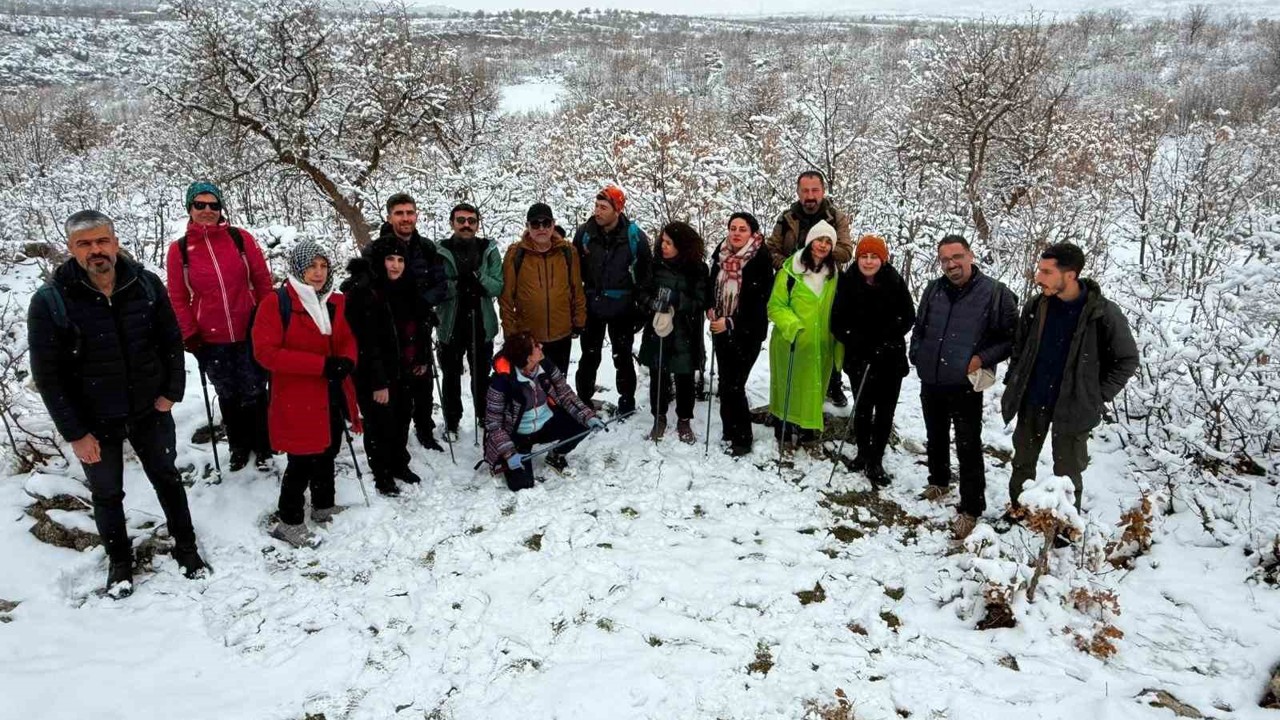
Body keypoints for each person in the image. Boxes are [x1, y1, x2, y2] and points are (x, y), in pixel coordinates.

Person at [29, 210, 206, 598]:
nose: (96, 251)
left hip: (149, 410)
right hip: (94, 420)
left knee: (167, 479)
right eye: (85, 244)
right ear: (71, 249)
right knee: (107, 494)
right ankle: (120, 564)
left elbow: (170, 341)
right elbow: (48, 375)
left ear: (115, 241)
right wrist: (75, 433)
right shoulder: (51, 301)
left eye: (101, 241)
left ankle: (187, 548)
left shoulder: (144, 285)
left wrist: (171, 392)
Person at [1001, 242, 1139, 516]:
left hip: (1074, 406)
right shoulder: (1037, 306)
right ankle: (1018, 511)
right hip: (1034, 399)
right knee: (1022, 463)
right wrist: (1015, 380)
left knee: (1068, 472)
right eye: (1039, 270)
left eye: (1047, 272)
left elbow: (1127, 360)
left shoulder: (1103, 314)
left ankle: (1065, 526)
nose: (1038, 278)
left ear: (1071, 275)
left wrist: (1097, 395)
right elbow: (1020, 348)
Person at [253, 241, 360, 549]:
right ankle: (289, 521)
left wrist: (348, 360)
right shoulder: (277, 303)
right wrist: (321, 365)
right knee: (302, 458)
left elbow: (347, 338)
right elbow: (266, 353)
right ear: (299, 268)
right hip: (297, 395)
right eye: (312, 266)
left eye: (323, 266)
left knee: (329, 448)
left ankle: (324, 505)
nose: (318, 272)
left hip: (331, 391)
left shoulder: (335, 300)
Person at [909, 235, 1017, 540]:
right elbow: (921, 325)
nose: (951, 264)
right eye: (944, 259)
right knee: (935, 433)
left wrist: (981, 358)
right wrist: (917, 353)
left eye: (956, 257)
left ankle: (971, 507)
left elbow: (1010, 338)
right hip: (932, 376)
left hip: (967, 382)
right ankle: (939, 480)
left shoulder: (995, 293)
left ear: (970, 255)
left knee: (968, 444)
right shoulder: (933, 289)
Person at [166, 181, 275, 472]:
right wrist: (189, 333)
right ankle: (239, 446)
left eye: (213, 205)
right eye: (199, 205)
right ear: (189, 208)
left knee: (255, 388)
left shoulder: (240, 239)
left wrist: (269, 319)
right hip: (210, 336)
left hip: (250, 329)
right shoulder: (180, 251)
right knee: (227, 392)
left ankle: (263, 444)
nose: (207, 210)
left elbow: (263, 281)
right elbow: (177, 297)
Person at [341, 237, 429, 497]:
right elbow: (366, 342)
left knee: (402, 417)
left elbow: (418, 326)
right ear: (378, 261)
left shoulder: (406, 286)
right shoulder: (364, 291)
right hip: (375, 373)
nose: (396, 265)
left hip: (404, 367)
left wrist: (422, 356)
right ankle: (382, 475)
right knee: (380, 424)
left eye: (400, 259)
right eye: (390, 259)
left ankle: (399, 464)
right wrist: (378, 382)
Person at [830, 235, 916, 486]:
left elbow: (907, 316)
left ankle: (876, 458)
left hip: (889, 359)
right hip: (859, 358)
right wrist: (855, 339)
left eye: (873, 257)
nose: (868, 261)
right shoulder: (847, 282)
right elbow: (838, 321)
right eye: (864, 256)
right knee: (863, 408)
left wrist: (886, 337)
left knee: (884, 411)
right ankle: (862, 453)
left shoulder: (894, 281)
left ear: (882, 259)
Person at [765, 170, 855, 407]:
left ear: (823, 191)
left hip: (827, 282)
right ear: (798, 192)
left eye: (815, 190)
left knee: (826, 332)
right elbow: (772, 248)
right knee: (795, 333)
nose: (810, 195)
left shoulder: (836, 216)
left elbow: (846, 250)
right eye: (805, 191)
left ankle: (832, 384)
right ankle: (791, 386)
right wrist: (788, 266)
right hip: (795, 282)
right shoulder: (787, 218)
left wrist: (819, 253)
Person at [368, 193, 449, 451]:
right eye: (399, 213)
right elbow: (367, 288)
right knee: (395, 385)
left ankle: (425, 429)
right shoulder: (376, 249)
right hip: (388, 329)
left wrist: (421, 303)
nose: (405, 218)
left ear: (416, 215)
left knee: (423, 383)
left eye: (409, 213)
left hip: (419, 325)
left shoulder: (426, 247)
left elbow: (442, 285)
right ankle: (392, 441)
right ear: (389, 216)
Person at [482, 332, 604, 491]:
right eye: (536, 346)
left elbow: (565, 394)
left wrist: (588, 417)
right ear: (527, 357)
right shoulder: (502, 383)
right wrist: (509, 454)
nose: (541, 346)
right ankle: (509, 461)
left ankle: (556, 455)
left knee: (583, 422)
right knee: (522, 485)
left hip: (546, 423)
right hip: (517, 435)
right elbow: (493, 424)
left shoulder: (546, 366)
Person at [572, 185, 653, 417]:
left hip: (623, 308)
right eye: (596, 206)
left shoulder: (634, 236)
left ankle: (626, 401)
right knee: (589, 356)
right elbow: (574, 271)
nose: (597, 211)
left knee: (623, 356)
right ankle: (583, 399)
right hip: (592, 306)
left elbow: (645, 273)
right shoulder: (585, 233)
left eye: (603, 207)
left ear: (617, 210)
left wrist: (641, 308)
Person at [767, 221, 843, 450]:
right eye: (820, 240)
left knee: (813, 390)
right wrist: (793, 326)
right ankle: (783, 431)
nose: (823, 245)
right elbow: (775, 306)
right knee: (787, 387)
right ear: (810, 241)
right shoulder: (790, 271)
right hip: (790, 342)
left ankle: (807, 433)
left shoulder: (834, 275)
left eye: (828, 242)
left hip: (820, 346)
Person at [637, 221, 711, 443]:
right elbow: (641, 293)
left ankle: (684, 419)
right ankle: (658, 417)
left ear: (682, 245)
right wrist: (652, 303)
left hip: (686, 331)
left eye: (669, 243)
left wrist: (678, 300)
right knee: (658, 374)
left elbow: (701, 301)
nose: (663, 246)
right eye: (663, 241)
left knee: (684, 376)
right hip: (658, 329)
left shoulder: (697, 269)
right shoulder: (653, 264)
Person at [708, 212, 775, 456]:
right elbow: (711, 283)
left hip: (747, 331)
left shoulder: (760, 259)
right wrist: (711, 306)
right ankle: (729, 430)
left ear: (752, 233)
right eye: (733, 228)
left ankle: (743, 438)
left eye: (742, 229)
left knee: (735, 384)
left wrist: (730, 321)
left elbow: (758, 301)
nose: (736, 233)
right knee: (725, 383)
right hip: (720, 328)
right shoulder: (721, 253)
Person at [435, 203, 503, 441]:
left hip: (481, 322)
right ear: (452, 222)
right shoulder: (440, 250)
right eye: (461, 220)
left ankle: (485, 416)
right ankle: (452, 422)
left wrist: (479, 278)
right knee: (451, 376)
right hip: (450, 324)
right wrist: (455, 286)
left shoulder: (488, 249)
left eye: (471, 221)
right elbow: (436, 287)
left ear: (477, 224)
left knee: (482, 375)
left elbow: (498, 285)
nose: (466, 224)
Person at [499, 203, 586, 374]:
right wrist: (510, 333)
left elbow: (577, 289)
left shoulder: (568, 252)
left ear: (553, 224)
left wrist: (579, 320)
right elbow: (507, 297)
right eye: (535, 224)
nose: (541, 228)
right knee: (530, 389)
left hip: (561, 334)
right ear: (527, 226)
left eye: (546, 223)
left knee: (559, 386)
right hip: (529, 338)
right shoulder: (516, 254)